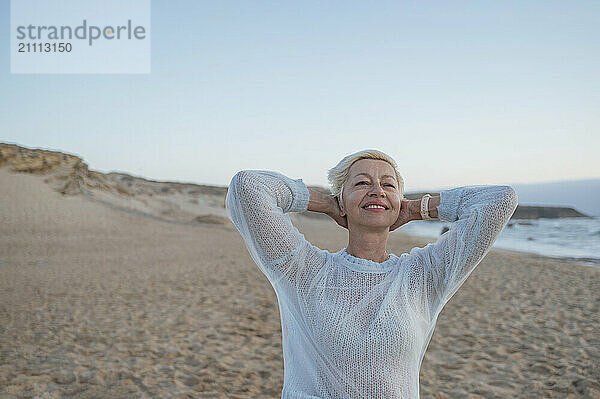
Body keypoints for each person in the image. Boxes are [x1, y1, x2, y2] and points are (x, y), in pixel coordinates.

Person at [226, 149, 518, 399]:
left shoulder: (424, 275)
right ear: (343, 199)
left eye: (388, 185)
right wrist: (326, 203)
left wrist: (417, 209)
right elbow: (247, 187)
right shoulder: (304, 271)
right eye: (362, 183)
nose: (377, 190)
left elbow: (500, 200)